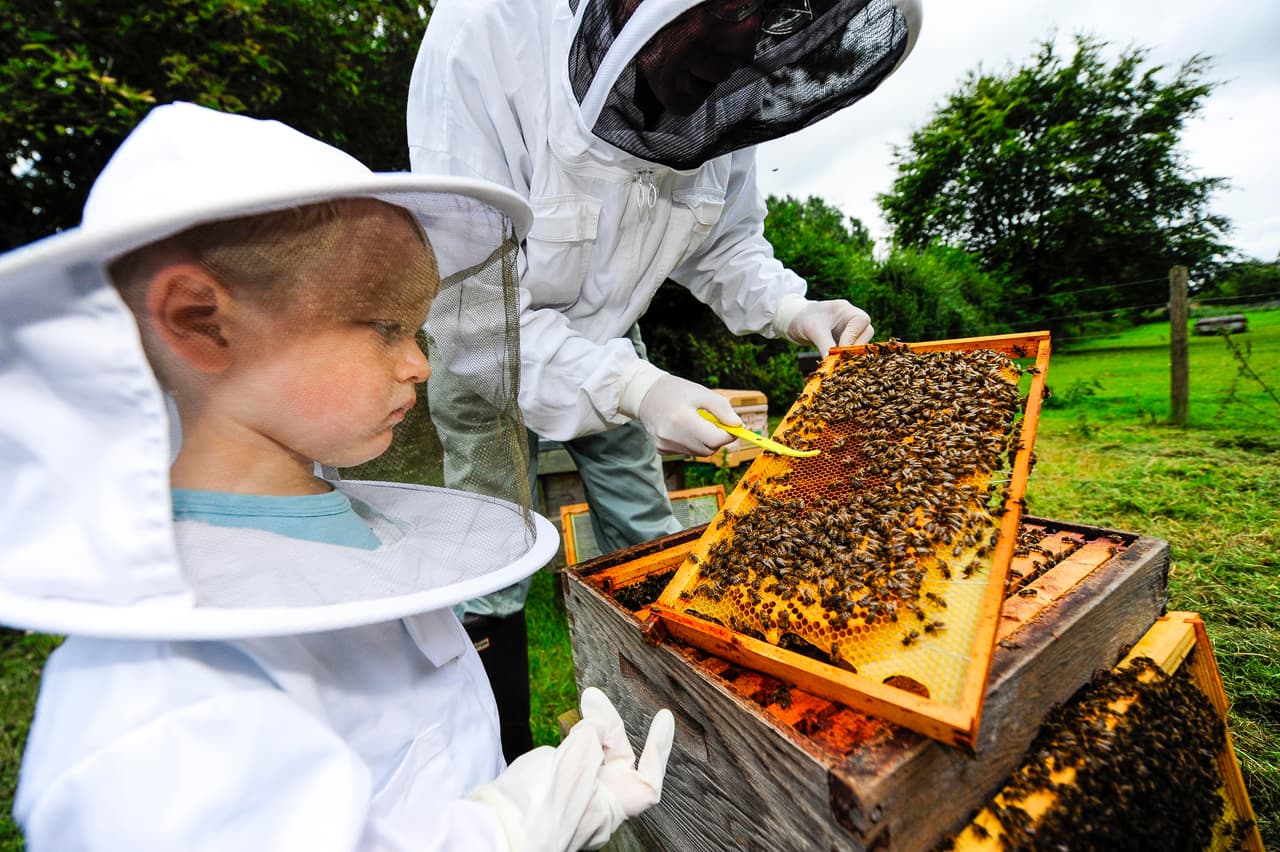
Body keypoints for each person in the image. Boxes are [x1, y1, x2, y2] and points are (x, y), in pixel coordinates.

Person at [0, 102, 674, 851]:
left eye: (417, 327)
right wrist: (504, 832)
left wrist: (531, 808)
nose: (419, 361)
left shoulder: (351, 518)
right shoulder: (150, 709)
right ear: (200, 320)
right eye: (384, 326)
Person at [407, 0, 922, 757]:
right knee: (491, 555)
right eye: (736, 8)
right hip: (485, 335)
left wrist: (791, 306)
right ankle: (502, 755)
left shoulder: (727, 91)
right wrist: (638, 390)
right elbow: (476, 309)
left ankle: (679, 735)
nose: (746, 41)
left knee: (648, 535)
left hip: (616, 338)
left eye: (770, 17)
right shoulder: (485, 35)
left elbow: (725, 241)